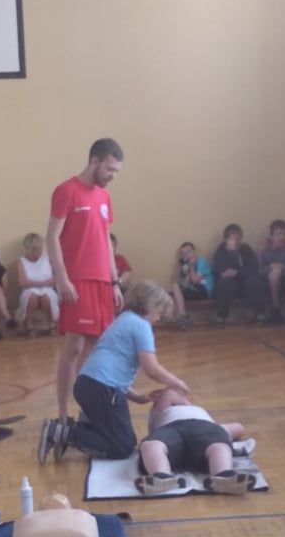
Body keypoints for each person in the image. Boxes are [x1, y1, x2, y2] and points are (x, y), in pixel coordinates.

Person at [37, 281, 188, 464]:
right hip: (100, 389)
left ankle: (85, 426)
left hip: (88, 385)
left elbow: (111, 376)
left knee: (127, 440)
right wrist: (176, 382)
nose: (158, 319)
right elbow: (152, 368)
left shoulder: (124, 319)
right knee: (122, 447)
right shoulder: (141, 326)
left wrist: (138, 397)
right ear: (150, 306)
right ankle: (62, 432)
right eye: (159, 313)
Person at [45, 138, 125, 420]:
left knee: (94, 349)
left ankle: (88, 410)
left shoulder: (104, 197)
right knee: (74, 347)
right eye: (110, 169)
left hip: (102, 282)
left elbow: (105, 242)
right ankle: (63, 413)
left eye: (116, 171)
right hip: (77, 280)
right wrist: (62, 279)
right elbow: (52, 237)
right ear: (94, 161)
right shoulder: (66, 191)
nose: (112, 176)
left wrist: (114, 282)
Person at [135, 388, 256, 496]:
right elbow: (169, 393)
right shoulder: (162, 412)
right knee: (152, 445)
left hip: (203, 430)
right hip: (173, 428)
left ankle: (223, 477)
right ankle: (162, 477)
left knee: (219, 446)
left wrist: (222, 433)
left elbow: (238, 428)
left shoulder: (211, 425)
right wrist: (186, 401)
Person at [212, 223, 267, 325]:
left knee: (255, 281)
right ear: (226, 239)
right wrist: (231, 253)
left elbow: (254, 268)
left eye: (238, 238)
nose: (236, 242)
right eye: (233, 239)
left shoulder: (246, 249)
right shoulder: (220, 252)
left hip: (246, 282)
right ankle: (221, 316)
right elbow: (221, 271)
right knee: (224, 283)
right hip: (230, 285)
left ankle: (260, 314)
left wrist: (237, 272)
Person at [16, 232, 59, 336]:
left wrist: (50, 281)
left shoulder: (47, 259)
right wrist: (42, 283)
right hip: (29, 290)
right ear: (28, 250)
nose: (38, 252)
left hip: (47, 290)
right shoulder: (21, 262)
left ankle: (52, 325)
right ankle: (29, 326)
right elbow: (22, 282)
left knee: (46, 298)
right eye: (34, 250)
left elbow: (57, 276)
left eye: (39, 249)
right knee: (32, 297)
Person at [171, 241, 214, 328]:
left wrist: (191, 266)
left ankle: (183, 316)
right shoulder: (186, 265)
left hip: (205, 290)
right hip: (194, 290)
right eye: (184, 253)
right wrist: (186, 266)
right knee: (171, 295)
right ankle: (181, 319)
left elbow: (195, 280)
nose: (187, 254)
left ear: (194, 251)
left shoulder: (202, 261)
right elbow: (186, 283)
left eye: (189, 251)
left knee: (175, 286)